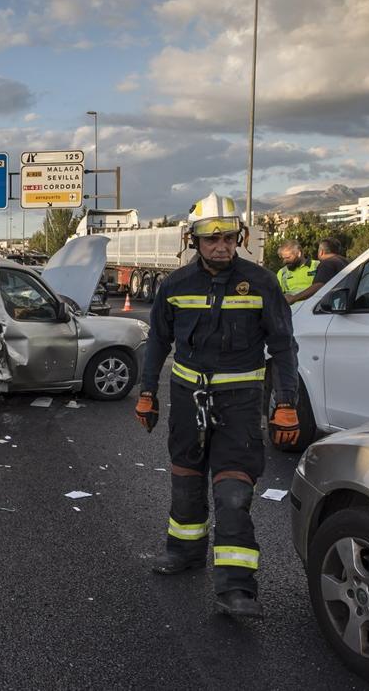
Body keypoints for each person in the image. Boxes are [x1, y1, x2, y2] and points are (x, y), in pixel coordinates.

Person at [134, 192, 300, 619]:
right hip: (189, 399)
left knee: (232, 492)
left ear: (240, 237)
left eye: (228, 237)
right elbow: (157, 342)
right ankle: (184, 553)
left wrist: (286, 403)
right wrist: (147, 392)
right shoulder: (174, 286)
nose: (221, 245)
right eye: (211, 238)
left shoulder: (261, 283)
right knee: (186, 479)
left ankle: (236, 587)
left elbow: (282, 346)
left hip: (240, 404)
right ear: (195, 241)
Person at [285, 236, 350, 304]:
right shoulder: (345, 261)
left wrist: (294, 298)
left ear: (321, 252)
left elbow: (318, 286)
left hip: (335, 307)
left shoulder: (327, 263)